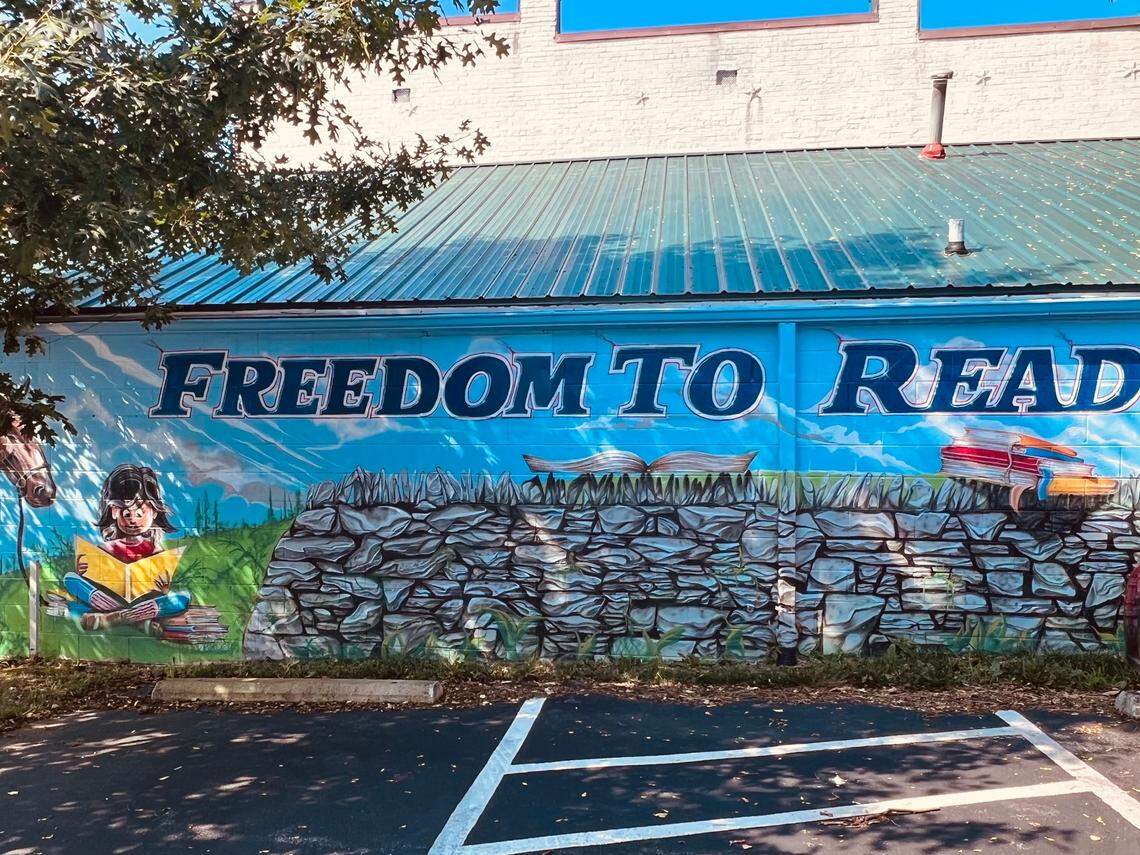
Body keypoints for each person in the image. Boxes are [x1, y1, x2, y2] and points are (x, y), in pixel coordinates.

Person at [63, 464, 190, 632]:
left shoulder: (154, 550)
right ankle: (137, 620)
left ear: (153, 512)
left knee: (183, 598)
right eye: (126, 513)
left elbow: (160, 590)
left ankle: (116, 617)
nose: (133, 520)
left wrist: (164, 589)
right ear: (115, 512)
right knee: (70, 579)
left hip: (140, 601)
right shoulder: (105, 548)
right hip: (109, 598)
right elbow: (89, 579)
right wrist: (83, 573)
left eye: (139, 514)